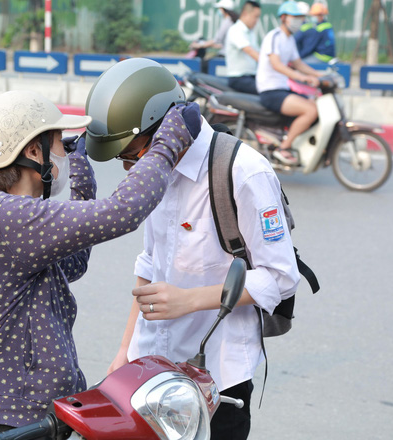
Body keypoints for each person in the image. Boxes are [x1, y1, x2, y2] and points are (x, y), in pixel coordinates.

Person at [0, 89, 200, 439]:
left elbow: (73, 262)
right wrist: (168, 142)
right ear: (33, 152)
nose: (63, 152)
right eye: (59, 143)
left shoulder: (20, 230)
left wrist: (78, 168)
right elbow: (121, 212)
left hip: (28, 421)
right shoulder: (3, 217)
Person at [86, 58, 300, 440]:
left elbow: (282, 277)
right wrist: (125, 351)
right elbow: (151, 262)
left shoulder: (243, 172)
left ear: (164, 126)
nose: (129, 167)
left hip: (218, 378)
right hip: (151, 371)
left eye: (131, 153)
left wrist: (189, 300)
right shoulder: (157, 170)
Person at [256, 0, 322, 165]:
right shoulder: (274, 36)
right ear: (284, 17)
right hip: (270, 90)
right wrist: (301, 77)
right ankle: (283, 148)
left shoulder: (290, 39)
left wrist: (319, 74)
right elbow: (276, 64)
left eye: (301, 18)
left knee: (313, 105)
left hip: (282, 88)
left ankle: (286, 140)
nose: (299, 21)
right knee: (310, 110)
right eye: (295, 17)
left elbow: (298, 63)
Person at [225, 1, 261, 94]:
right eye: (255, 17)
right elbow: (250, 52)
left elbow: (259, 53)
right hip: (238, 79)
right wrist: (271, 64)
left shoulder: (250, 32)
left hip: (252, 76)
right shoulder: (236, 30)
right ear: (245, 14)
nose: (256, 20)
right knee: (266, 91)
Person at [191, 0, 237, 73]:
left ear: (223, 9)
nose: (218, 10)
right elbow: (221, 43)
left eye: (219, 8)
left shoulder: (227, 22)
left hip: (224, 55)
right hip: (228, 54)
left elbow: (216, 40)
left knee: (203, 65)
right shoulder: (232, 21)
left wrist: (199, 45)